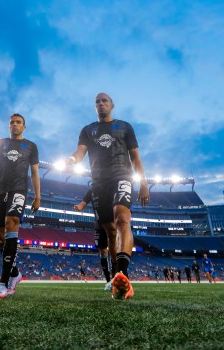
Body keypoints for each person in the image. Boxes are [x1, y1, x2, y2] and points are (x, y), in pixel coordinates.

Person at [67, 93, 149, 300]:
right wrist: (72, 159)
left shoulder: (124, 126)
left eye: (104, 101)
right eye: (97, 101)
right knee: (110, 231)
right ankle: (117, 278)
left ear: (112, 105)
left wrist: (144, 183)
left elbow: (135, 157)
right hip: (99, 183)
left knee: (122, 218)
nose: (101, 103)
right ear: (94, 107)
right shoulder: (88, 130)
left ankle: (123, 274)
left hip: (122, 176)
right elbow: (80, 151)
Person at [0, 113, 41, 299]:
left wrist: (37, 196)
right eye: (12, 122)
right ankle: (15, 273)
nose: (15, 124)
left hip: (19, 190)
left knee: (12, 222)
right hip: (0, 191)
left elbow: (35, 172)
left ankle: (3, 282)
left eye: (18, 122)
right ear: (8, 126)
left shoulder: (31, 146)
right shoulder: (0, 143)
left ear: (24, 127)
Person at [74, 188, 114, 291]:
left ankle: (116, 278)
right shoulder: (91, 191)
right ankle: (108, 281)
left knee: (114, 250)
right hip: (99, 224)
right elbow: (82, 204)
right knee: (103, 250)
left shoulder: (109, 187)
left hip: (111, 222)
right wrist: (79, 207)